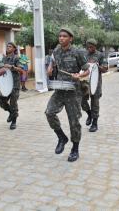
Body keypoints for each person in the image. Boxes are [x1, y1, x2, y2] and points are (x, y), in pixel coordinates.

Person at [45, 28, 90, 162]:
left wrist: (79, 75)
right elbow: (53, 61)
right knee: (49, 112)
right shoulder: (56, 50)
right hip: (59, 89)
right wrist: (50, 67)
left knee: (74, 121)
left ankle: (75, 149)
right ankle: (61, 137)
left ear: (71, 38)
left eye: (64, 36)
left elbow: (87, 70)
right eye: (60, 36)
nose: (61, 38)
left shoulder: (78, 52)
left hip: (73, 91)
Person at [81, 38, 108, 132]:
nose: (89, 48)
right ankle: (89, 114)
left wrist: (97, 66)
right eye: (87, 47)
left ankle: (94, 123)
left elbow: (105, 69)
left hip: (95, 82)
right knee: (82, 100)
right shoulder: (84, 54)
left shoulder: (100, 55)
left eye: (91, 47)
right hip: (84, 81)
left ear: (95, 47)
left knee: (95, 103)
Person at [0, 42, 23, 130]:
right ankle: (11, 113)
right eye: (7, 46)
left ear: (14, 49)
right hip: (6, 84)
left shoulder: (16, 58)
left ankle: (14, 121)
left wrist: (12, 67)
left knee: (13, 103)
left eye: (10, 46)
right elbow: (0, 68)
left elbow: (21, 70)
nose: (8, 48)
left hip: (15, 84)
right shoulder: (4, 59)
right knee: (1, 101)